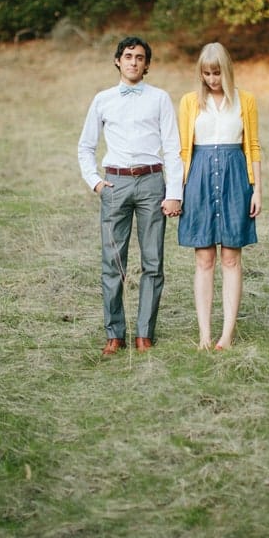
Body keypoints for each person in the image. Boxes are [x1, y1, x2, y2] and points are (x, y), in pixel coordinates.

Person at [78, 36, 183, 356]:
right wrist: (95, 182)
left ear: (147, 64)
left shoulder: (161, 99)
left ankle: (144, 333)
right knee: (113, 262)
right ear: (117, 61)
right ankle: (115, 334)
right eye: (128, 56)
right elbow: (86, 146)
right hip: (115, 184)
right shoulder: (103, 100)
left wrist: (174, 192)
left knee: (153, 262)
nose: (134, 62)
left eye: (140, 57)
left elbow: (172, 147)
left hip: (152, 183)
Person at [178, 42, 262, 350]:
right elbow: (183, 150)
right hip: (198, 178)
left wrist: (257, 190)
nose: (212, 80)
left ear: (226, 71)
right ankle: (204, 334)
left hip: (235, 178)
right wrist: (179, 190)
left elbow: (252, 147)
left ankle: (226, 334)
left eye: (217, 73)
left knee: (231, 257)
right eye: (206, 74)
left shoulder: (246, 100)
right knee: (204, 258)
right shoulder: (189, 102)